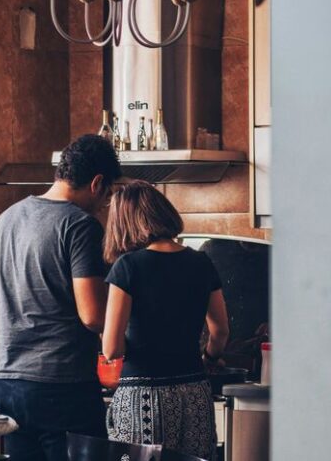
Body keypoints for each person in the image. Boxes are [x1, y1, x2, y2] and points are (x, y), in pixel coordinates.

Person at [0, 134, 121, 461]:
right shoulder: (80, 226)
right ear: (97, 183)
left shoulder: (6, 219)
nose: (104, 204)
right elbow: (92, 316)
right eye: (107, 196)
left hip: (7, 381)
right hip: (61, 384)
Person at [102, 180, 229, 461]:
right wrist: (209, 358)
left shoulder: (128, 267)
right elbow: (219, 331)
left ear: (124, 223)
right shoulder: (201, 262)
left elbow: (112, 349)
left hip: (143, 396)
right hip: (195, 391)